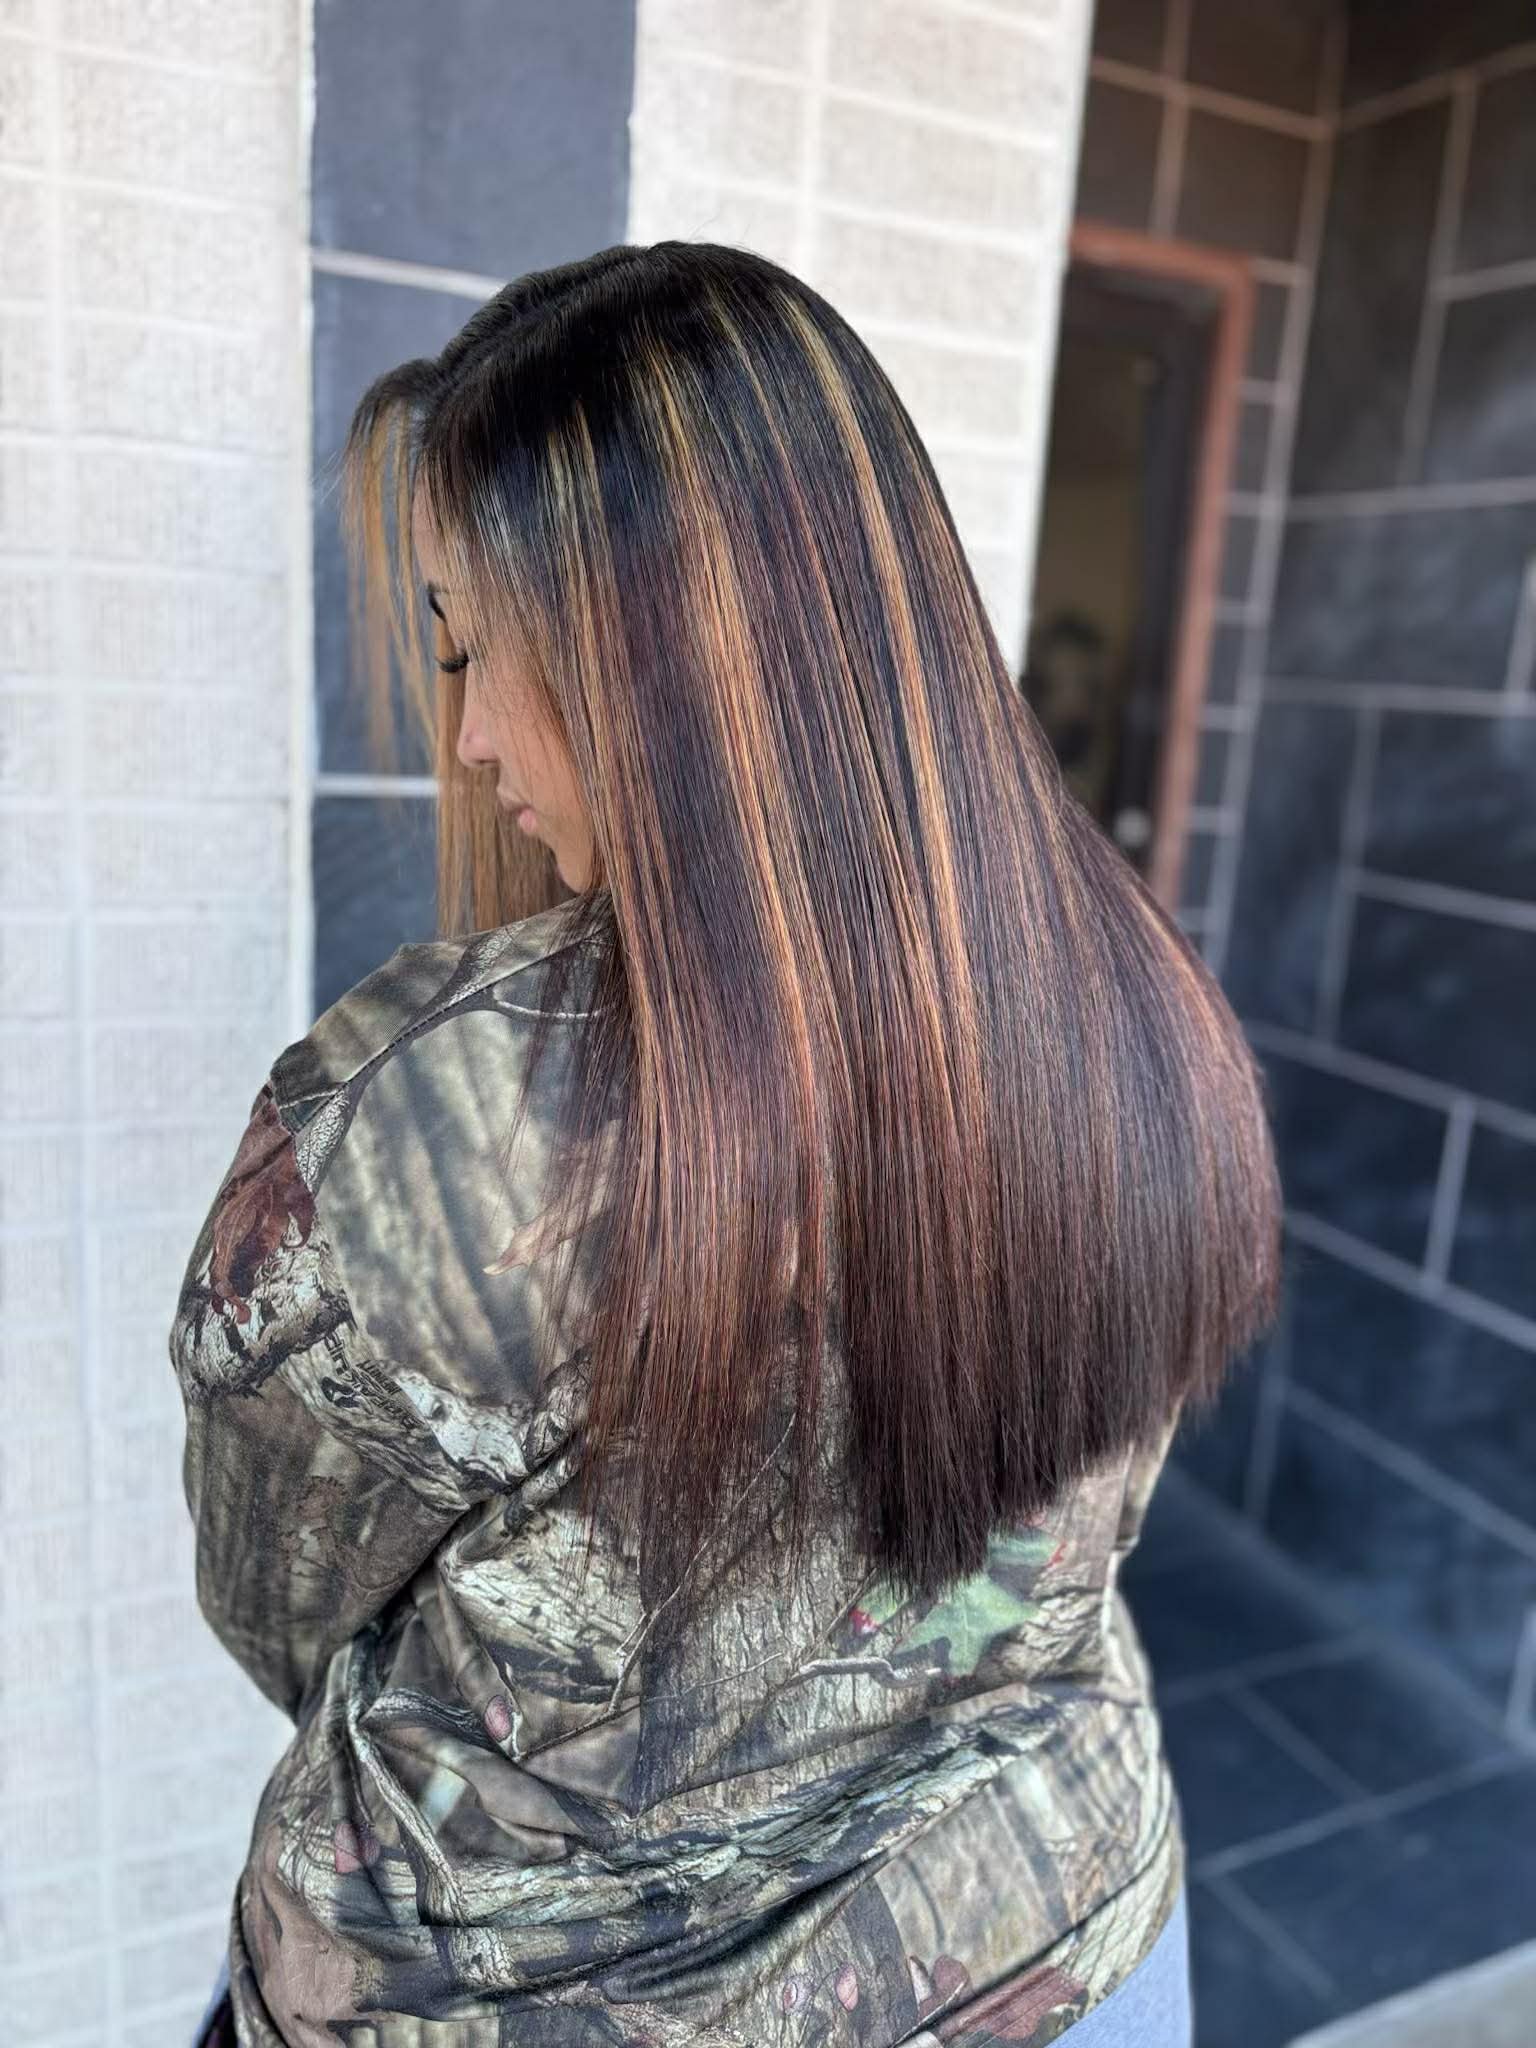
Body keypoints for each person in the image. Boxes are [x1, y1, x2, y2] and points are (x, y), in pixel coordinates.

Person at [173, 239, 1280, 2046]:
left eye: (472, 645)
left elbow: (285, 1608)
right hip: (1060, 1953)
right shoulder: (1135, 997)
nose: (462, 743)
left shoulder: (433, 1116)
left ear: (659, 660)